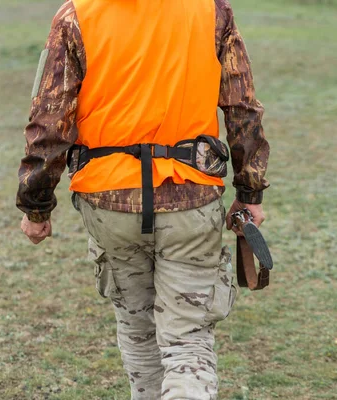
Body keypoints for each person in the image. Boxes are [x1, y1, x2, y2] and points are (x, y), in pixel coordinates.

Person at [16, 0, 270, 398]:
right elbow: (242, 108)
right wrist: (250, 191)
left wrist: (35, 205)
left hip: (109, 205)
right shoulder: (211, 9)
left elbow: (49, 118)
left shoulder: (76, 14)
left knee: (137, 331)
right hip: (191, 202)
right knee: (187, 339)